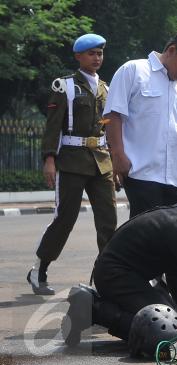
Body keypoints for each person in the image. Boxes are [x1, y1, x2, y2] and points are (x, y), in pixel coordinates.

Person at [60, 179, 177, 346]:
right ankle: (92, 308)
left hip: (133, 277)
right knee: (165, 333)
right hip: (114, 275)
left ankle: (100, 306)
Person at [27, 33, 116, 296]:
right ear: (78, 56)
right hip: (71, 161)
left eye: (100, 53)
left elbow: (107, 125)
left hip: (101, 162)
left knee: (108, 222)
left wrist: (114, 159)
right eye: (91, 53)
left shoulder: (106, 88)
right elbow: (53, 127)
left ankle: (108, 278)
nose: (97, 58)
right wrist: (49, 160)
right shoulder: (64, 86)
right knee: (65, 218)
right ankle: (39, 269)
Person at [104, 30, 177, 217]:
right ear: (172, 50)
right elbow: (112, 114)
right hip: (141, 171)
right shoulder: (133, 70)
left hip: (173, 177)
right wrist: (117, 154)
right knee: (145, 231)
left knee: (168, 234)